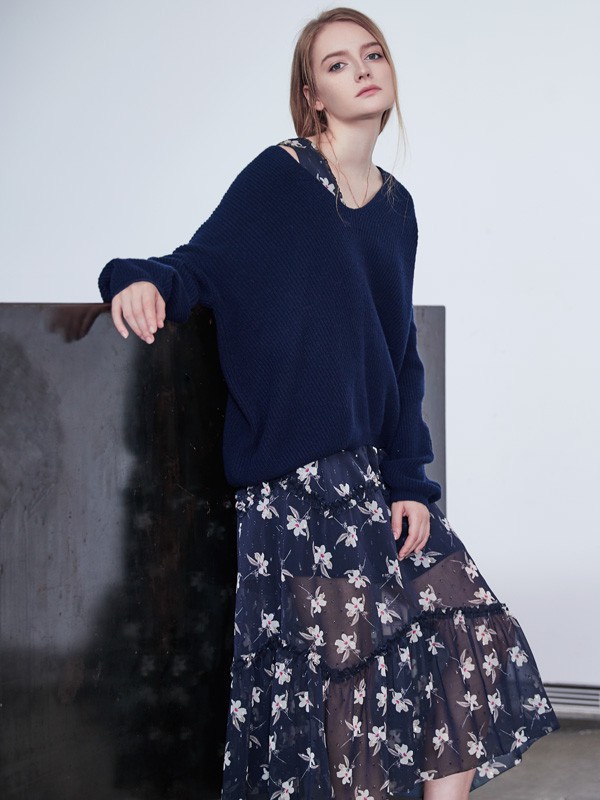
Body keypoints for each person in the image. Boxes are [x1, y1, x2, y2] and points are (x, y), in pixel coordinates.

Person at [98, 7, 560, 799]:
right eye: (338, 63)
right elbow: (198, 265)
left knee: (465, 635)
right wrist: (132, 279)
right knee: (354, 695)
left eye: (372, 54)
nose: (362, 70)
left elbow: (399, 355)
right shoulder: (282, 175)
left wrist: (411, 484)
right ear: (312, 94)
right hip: (300, 491)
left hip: (372, 480)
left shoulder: (398, 207)